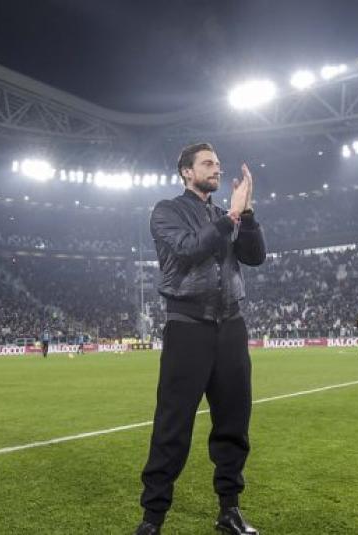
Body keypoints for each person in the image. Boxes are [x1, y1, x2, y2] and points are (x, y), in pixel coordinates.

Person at [134, 143, 266, 535]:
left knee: (233, 424)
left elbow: (255, 256)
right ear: (186, 172)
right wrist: (231, 216)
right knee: (172, 425)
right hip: (188, 326)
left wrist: (247, 213)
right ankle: (152, 518)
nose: (217, 169)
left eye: (219, 164)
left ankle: (230, 510)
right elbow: (188, 249)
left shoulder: (226, 214)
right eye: (208, 163)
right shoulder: (167, 211)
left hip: (231, 326)